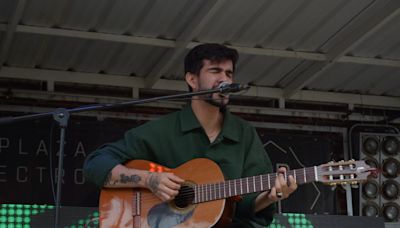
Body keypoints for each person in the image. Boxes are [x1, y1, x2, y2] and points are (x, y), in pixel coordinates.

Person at [83, 43, 297, 227]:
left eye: (229, 74)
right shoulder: (163, 130)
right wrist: (150, 179)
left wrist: (272, 196)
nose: (225, 79)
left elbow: (245, 207)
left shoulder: (244, 134)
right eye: (215, 71)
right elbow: (95, 164)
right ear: (192, 80)